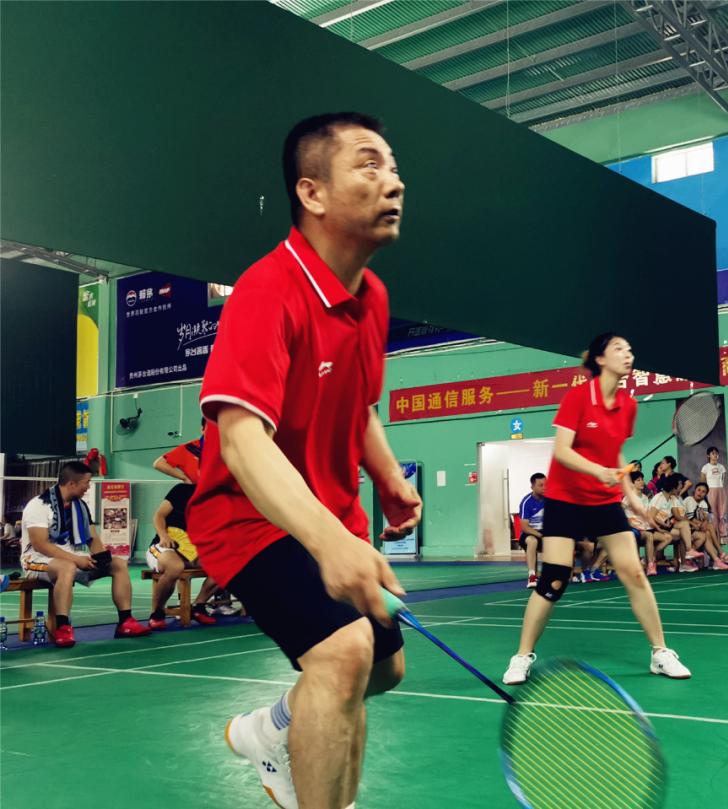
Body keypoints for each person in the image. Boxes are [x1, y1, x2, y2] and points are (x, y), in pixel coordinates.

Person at [186, 112, 419, 809]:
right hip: (249, 516)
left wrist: (388, 478)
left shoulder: (372, 296)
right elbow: (240, 440)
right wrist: (328, 541)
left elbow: (361, 405)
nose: (394, 181)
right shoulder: (269, 289)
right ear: (312, 192)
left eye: (394, 167)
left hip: (332, 514)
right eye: (369, 164)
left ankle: (273, 729)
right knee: (344, 652)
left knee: (383, 669)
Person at [501, 333, 691, 685]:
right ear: (600, 359)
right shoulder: (577, 398)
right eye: (619, 349)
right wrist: (596, 471)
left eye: (630, 349)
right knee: (554, 579)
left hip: (603, 502)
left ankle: (660, 652)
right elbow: (562, 450)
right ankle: (521, 656)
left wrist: (632, 496)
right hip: (565, 500)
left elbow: (615, 452)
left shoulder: (628, 405)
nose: (628, 354)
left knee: (634, 573)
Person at [19, 461, 151, 647]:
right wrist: (76, 559)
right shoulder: (39, 505)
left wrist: (102, 558)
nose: (88, 487)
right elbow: (40, 544)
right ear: (71, 483)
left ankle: (126, 622)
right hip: (36, 559)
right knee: (67, 567)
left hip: (71, 559)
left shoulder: (79, 506)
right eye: (86, 483)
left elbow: (92, 538)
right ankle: (63, 628)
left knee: (118, 564)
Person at [146, 483, 219, 628]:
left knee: (226, 565)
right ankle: (157, 613)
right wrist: (163, 535)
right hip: (164, 548)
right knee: (175, 567)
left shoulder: (218, 501)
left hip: (192, 552)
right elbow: (159, 516)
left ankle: (198, 606)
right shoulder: (182, 490)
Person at [684, 482, 728, 570]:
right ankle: (720, 553)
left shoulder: (703, 503)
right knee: (709, 528)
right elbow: (691, 518)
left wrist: (704, 521)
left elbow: (704, 519)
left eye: (703, 492)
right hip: (687, 529)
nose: (700, 493)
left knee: (708, 532)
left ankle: (716, 560)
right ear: (694, 491)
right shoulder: (689, 500)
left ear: (705, 494)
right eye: (699, 490)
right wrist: (702, 523)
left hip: (697, 529)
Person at [153, 418, 206, 484]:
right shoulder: (190, 448)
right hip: (195, 488)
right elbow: (159, 463)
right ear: (202, 429)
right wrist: (184, 477)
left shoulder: (219, 451)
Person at [517, 473, 546, 588]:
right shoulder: (526, 502)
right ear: (532, 487)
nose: (544, 488)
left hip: (545, 533)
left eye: (546, 485)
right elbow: (524, 527)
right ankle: (532, 576)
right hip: (529, 534)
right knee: (532, 541)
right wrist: (540, 535)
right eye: (541, 485)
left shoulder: (549, 499)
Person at [700, 446, 728, 550]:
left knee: (722, 512)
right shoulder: (705, 467)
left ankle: (722, 534)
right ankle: (714, 534)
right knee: (713, 513)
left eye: (717, 453)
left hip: (720, 490)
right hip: (710, 491)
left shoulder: (721, 467)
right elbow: (702, 482)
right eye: (713, 453)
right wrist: (704, 493)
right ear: (708, 455)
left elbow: (723, 480)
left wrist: (720, 489)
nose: (715, 455)